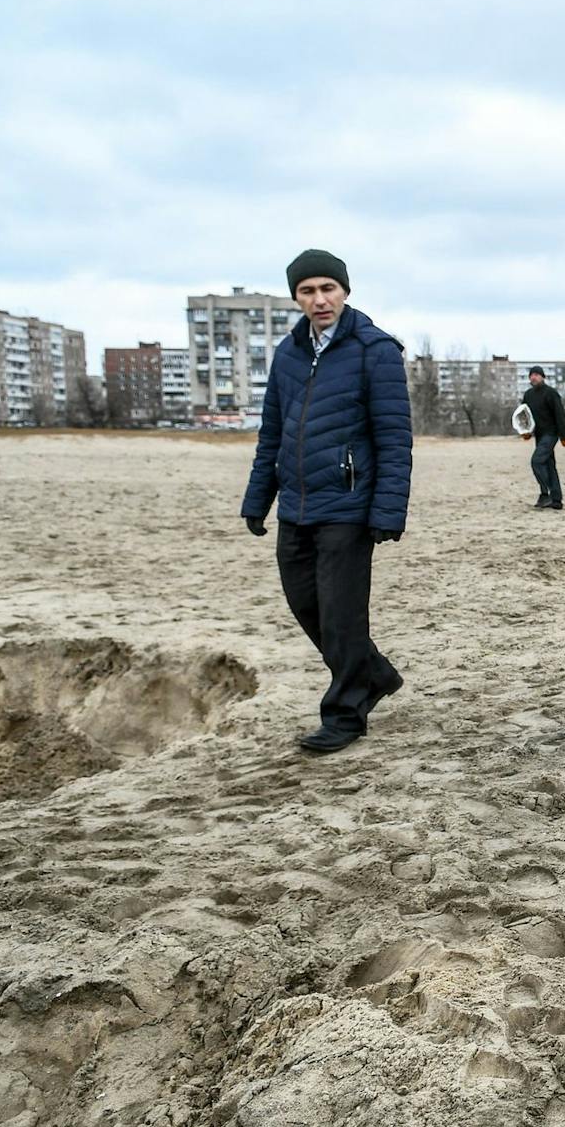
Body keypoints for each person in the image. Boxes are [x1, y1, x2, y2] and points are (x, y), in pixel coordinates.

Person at [241, 250, 411, 753]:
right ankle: (373, 672)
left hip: (349, 505)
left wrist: (386, 511)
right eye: (307, 291)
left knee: (341, 614)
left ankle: (345, 713)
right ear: (296, 297)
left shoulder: (375, 350)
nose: (319, 300)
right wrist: (258, 498)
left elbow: (394, 437)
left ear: (345, 291)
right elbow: (272, 430)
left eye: (327, 289)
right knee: (306, 604)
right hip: (296, 504)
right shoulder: (289, 353)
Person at [519, 367, 565, 510]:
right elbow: (524, 416)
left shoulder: (551, 393)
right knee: (548, 465)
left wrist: (563, 436)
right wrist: (525, 432)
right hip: (539, 435)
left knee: (536, 461)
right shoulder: (528, 395)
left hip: (551, 433)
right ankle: (556, 500)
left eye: (536, 375)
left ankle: (546, 494)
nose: (533, 378)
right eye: (531, 375)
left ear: (542, 377)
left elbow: (560, 414)